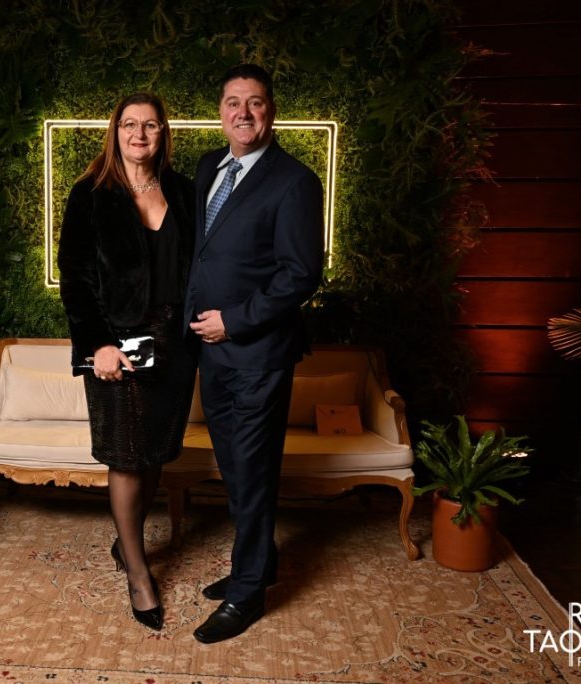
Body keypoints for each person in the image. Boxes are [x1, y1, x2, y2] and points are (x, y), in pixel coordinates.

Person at [185, 64, 324, 643]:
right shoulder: (207, 168)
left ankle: (246, 594)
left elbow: (301, 275)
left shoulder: (294, 181)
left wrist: (234, 321)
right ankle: (260, 563)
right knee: (235, 469)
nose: (243, 113)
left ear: (272, 111)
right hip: (210, 353)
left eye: (255, 102)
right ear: (220, 111)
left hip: (258, 355)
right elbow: (202, 254)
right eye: (232, 102)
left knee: (254, 469)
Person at [58, 92, 196, 631]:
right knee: (125, 456)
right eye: (130, 124)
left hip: (175, 344)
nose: (140, 134)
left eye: (151, 125)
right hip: (118, 343)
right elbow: (75, 279)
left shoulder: (183, 191)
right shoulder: (91, 194)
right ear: (115, 132)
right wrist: (98, 345)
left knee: (155, 451)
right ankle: (138, 573)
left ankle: (126, 542)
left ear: (164, 133)